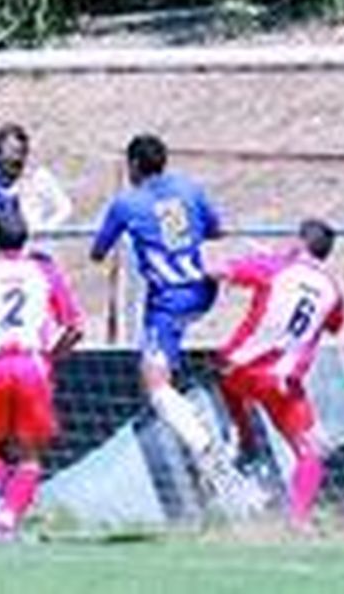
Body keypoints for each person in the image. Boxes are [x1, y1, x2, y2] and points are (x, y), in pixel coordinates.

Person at [90, 134, 236, 492]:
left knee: (154, 383)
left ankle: (206, 447)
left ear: (134, 166)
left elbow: (97, 252)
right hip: (205, 290)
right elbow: (217, 230)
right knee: (163, 370)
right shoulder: (190, 187)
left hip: (171, 300)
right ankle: (204, 436)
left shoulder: (127, 203)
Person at [0, 212, 82, 542]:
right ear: (27, 239)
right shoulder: (44, 272)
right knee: (30, 456)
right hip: (31, 365)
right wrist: (56, 353)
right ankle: (5, 521)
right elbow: (76, 326)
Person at [210, 219, 344, 531]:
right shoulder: (333, 290)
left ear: (299, 243)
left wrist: (265, 265)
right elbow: (335, 325)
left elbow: (218, 271)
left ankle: (243, 441)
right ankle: (298, 518)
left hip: (237, 370)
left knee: (228, 385)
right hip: (282, 384)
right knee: (312, 451)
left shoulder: (274, 267)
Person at [0, 123, 74, 258]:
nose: (13, 154)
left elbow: (64, 207)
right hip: (0, 252)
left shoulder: (39, 176)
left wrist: (45, 229)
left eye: (17, 149)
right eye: (8, 147)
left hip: (35, 250)